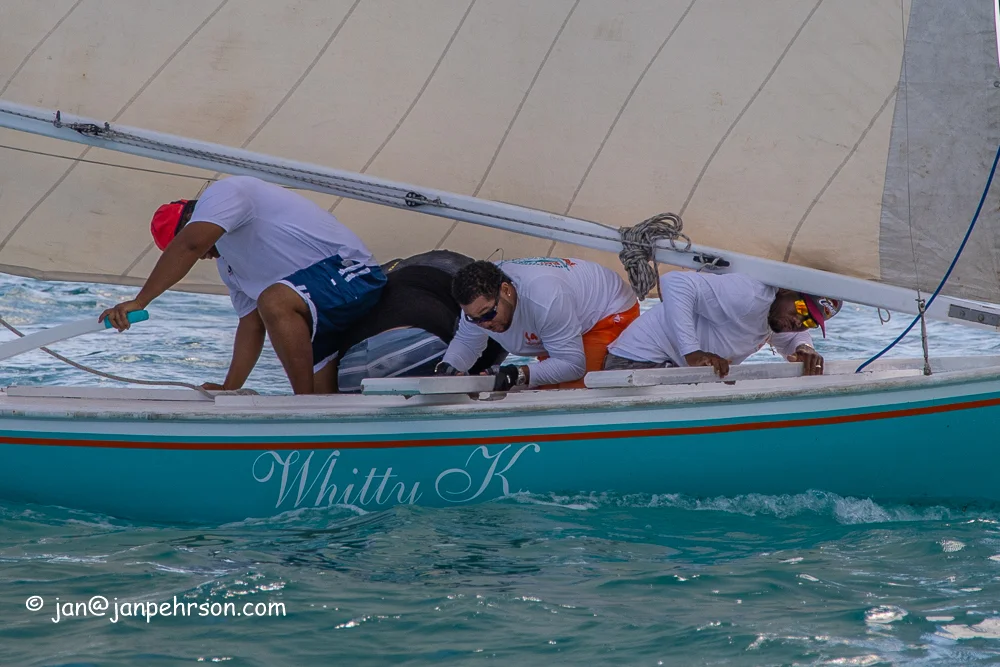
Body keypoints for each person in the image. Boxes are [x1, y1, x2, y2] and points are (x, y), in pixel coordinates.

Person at [100, 176, 385, 394]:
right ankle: (311, 411)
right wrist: (229, 389)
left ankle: (302, 407)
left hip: (354, 274)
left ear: (194, 220)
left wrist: (140, 301)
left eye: (199, 250)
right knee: (326, 400)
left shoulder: (224, 194)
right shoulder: (230, 266)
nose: (202, 256)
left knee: (274, 301)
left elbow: (191, 244)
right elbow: (252, 325)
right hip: (323, 305)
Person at [436, 257, 639, 390]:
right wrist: (448, 368)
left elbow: (573, 365)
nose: (484, 324)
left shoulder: (545, 299)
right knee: (546, 387)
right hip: (560, 318)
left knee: (573, 391)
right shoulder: (478, 305)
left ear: (506, 290)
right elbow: (466, 342)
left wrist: (517, 373)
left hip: (608, 310)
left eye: (488, 314)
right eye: (474, 319)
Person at [603, 271, 840, 377]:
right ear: (787, 290)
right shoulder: (749, 295)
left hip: (671, 370)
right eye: (800, 309)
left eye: (809, 321)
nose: (798, 321)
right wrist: (692, 352)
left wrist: (804, 347)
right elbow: (674, 282)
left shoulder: (777, 318)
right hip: (633, 366)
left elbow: (790, 338)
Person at [334, 251, 506, 392]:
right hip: (413, 346)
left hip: (350, 365)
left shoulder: (394, 276)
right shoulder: (478, 295)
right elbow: (499, 336)